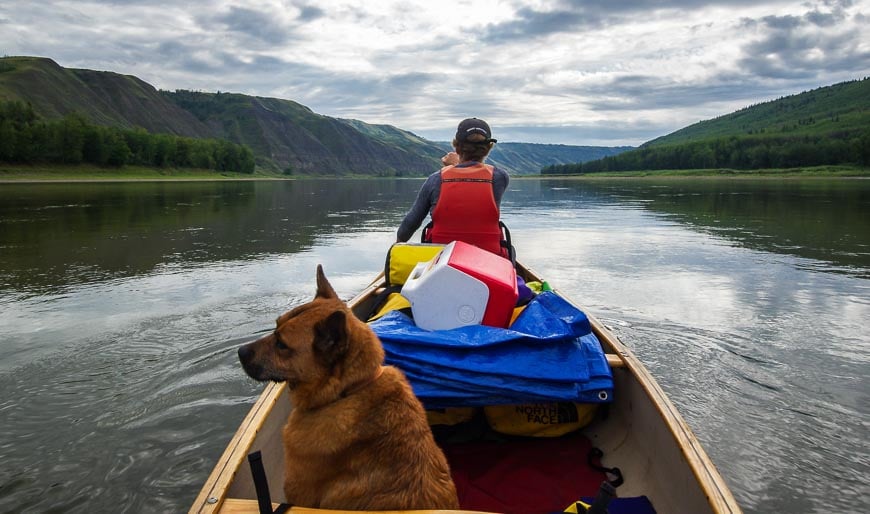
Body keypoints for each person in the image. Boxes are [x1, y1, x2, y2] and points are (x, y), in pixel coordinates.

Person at [396, 118, 511, 258]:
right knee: (510, 249)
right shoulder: (500, 177)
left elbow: (410, 223)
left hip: (442, 262)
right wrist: (455, 166)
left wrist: (398, 244)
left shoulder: (435, 179)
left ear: (456, 146)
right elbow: (473, 174)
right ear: (488, 148)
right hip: (488, 261)